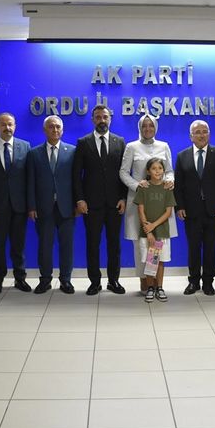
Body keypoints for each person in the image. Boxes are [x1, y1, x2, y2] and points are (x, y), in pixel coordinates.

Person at [73, 105, 128, 295]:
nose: (102, 120)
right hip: (91, 205)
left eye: (105, 117)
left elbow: (124, 172)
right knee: (92, 244)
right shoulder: (83, 142)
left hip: (115, 204)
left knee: (114, 245)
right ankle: (94, 282)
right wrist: (80, 199)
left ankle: (114, 281)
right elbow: (76, 175)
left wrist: (123, 198)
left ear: (110, 119)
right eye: (98, 117)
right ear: (92, 120)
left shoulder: (120, 142)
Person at [120, 114, 177, 293]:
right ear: (139, 128)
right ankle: (144, 280)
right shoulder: (131, 147)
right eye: (144, 126)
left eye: (151, 126)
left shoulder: (164, 146)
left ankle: (157, 284)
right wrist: (138, 186)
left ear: (156, 127)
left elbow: (169, 171)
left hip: (160, 201)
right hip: (139, 202)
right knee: (141, 244)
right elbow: (123, 172)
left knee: (158, 242)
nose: (147, 129)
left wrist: (170, 180)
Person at [174, 120, 215, 296]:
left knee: (211, 248)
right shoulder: (182, 156)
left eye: (204, 131)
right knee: (193, 248)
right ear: (191, 136)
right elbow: (178, 185)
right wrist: (179, 206)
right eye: (197, 132)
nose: (201, 135)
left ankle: (208, 282)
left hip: (213, 211)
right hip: (191, 211)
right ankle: (193, 281)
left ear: (209, 134)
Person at [0, 113, 31, 294]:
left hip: (20, 206)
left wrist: (30, 205)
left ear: (15, 126)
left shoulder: (25, 146)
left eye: (10, 124)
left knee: (18, 245)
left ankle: (20, 278)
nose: (7, 128)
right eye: (3, 124)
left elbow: (29, 179)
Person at [26, 115, 77, 294]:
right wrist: (31, 206)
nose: (55, 130)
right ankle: (45, 280)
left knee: (67, 246)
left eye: (58, 127)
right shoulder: (34, 153)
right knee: (45, 246)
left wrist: (78, 203)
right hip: (43, 208)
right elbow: (30, 182)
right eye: (51, 127)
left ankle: (66, 280)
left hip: (67, 208)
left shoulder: (72, 151)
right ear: (44, 130)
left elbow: (76, 181)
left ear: (62, 130)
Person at [134, 157, 176, 302]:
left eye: (160, 168)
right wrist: (149, 231)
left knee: (160, 260)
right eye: (154, 168)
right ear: (148, 171)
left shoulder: (167, 188)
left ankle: (160, 287)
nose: (157, 171)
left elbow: (168, 212)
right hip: (147, 233)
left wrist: (154, 226)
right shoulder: (143, 188)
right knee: (150, 260)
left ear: (164, 170)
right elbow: (141, 211)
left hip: (161, 232)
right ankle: (150, 287)